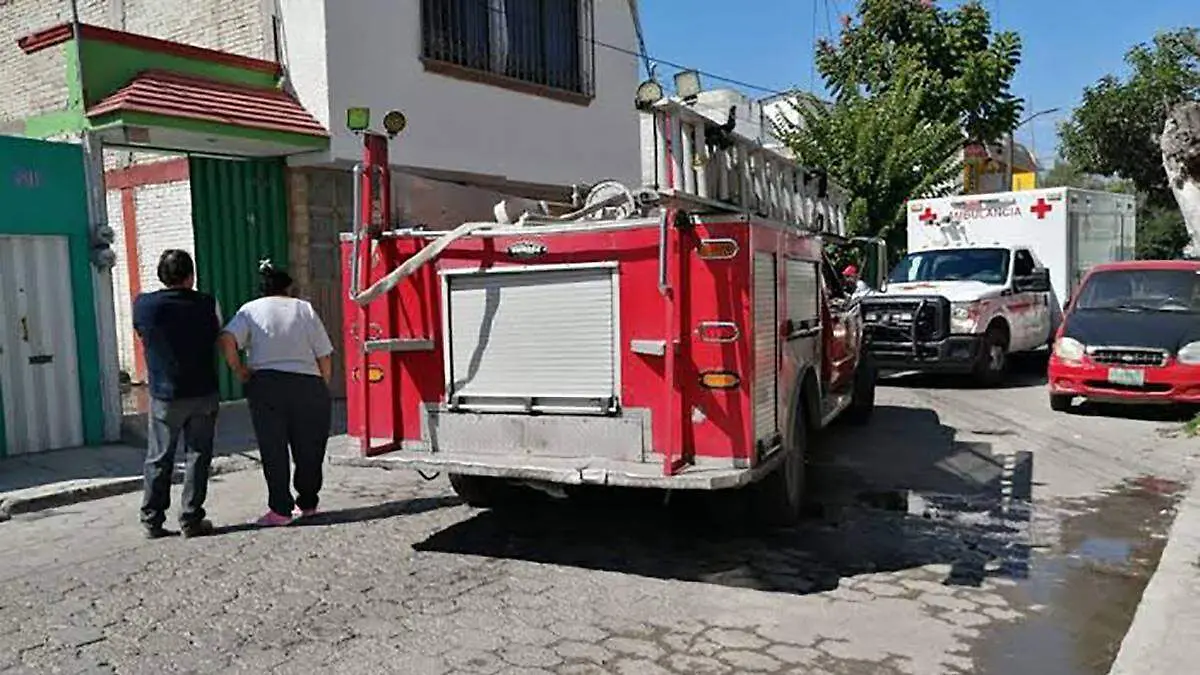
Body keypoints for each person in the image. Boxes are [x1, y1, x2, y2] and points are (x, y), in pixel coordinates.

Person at [218, 260, 335, 527]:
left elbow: (227, 339)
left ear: (262, 290)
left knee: (274, 448)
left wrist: (240, 370)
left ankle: (280, 510)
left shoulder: (249, 310)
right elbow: (324, 354)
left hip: (267, 384)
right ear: (288, 289)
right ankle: (308, 502)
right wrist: (322, 385)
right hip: (307, 383)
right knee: (309, 447)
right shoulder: (303, 309)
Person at [132, 249, 221, 539]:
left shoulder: (145, 306)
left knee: (159, 457)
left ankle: (152, 520)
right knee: (198, 456)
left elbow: (142, 334)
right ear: (190, 276)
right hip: (203, 392)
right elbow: (217, 334)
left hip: (165, 394)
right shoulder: (207, 304)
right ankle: (191, 518)